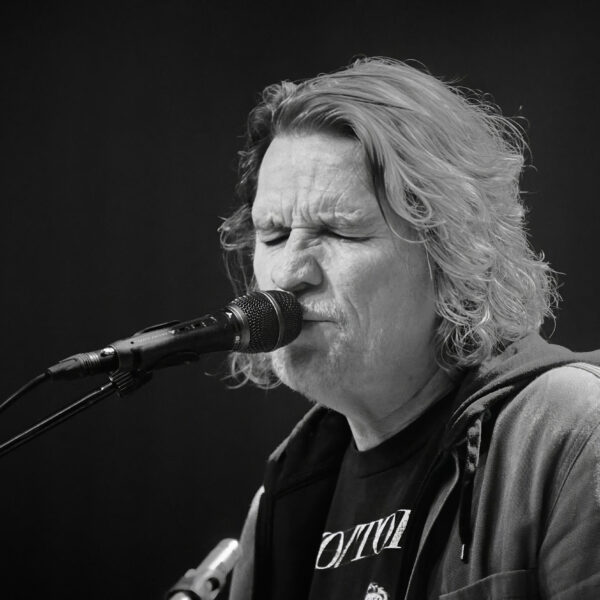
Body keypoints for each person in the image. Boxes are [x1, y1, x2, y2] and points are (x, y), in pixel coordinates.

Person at [219, 58, 600, 600]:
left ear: (453, 251)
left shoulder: (575, 433)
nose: (288, 274)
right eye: (274, 235)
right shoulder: (282, 500)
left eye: (339, 231)